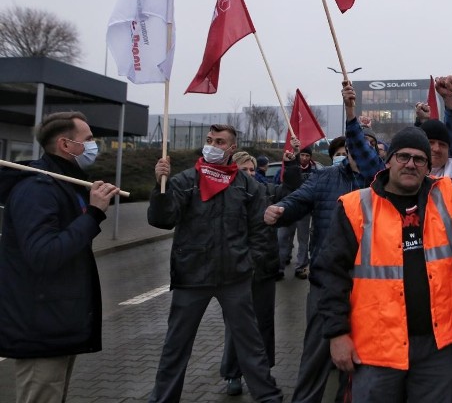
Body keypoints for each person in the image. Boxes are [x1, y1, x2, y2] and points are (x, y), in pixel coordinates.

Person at [311, 126, 452, 402]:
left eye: (419, 159)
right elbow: (330, 275)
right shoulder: (355, 206)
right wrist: (337, 334)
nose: (411, 164)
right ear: (388, 160)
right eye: (403, 156)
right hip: (377, 349)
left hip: (438, 346)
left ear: (428, 165)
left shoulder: (450, 195)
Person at [263, 84, 386, 403]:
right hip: (326, 282)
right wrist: (282, 209)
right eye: (358, 146)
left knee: (362, 361)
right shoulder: (325, 178)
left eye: (370, 147)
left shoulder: (382, 183)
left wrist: (351, 115)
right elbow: (299, 200)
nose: (363, 152)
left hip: (371, 284)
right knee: (316, 356)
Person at [147, 124, 282, 403]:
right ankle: (162, 398)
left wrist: (249, 264)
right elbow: (162, 219)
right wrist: (159, 187)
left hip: (234, 277)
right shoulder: (186, 180)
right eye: (209, 140)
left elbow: (260, 231)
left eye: (219, 142)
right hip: (191, 276)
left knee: (250, 343)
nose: (212, 145)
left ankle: (268, 396)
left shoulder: (248, 186)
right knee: (176, 346)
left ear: (232, 149)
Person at [0, 111, 120, 403]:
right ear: (66, 145)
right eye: (88, 140)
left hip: (56, 322)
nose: (94, 146)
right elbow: (44, 254)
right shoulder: (37, 188)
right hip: (39, 327)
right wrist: (93, 214)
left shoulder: (64, 184)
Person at [219, 151, 285, 396]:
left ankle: (262, 371)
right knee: (236, 325)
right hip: (234, 271)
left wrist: (293, 163)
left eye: (252, 170)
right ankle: (233, 373)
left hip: (264, 269)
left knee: (264, 323)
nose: (249, 174)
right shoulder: (224, 194)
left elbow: (290, 189)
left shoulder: (266, 191)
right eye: (243, 170)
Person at [278, 140, 317, 280]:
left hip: (304, 211)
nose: (305, 158)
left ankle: (301, 267)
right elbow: (281, 185)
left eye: (307, 155)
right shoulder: (288, 169)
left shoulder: (315, 171)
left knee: (303, 240)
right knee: (282, 237)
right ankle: (279, 267)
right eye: (303, 155)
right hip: (287, 209)